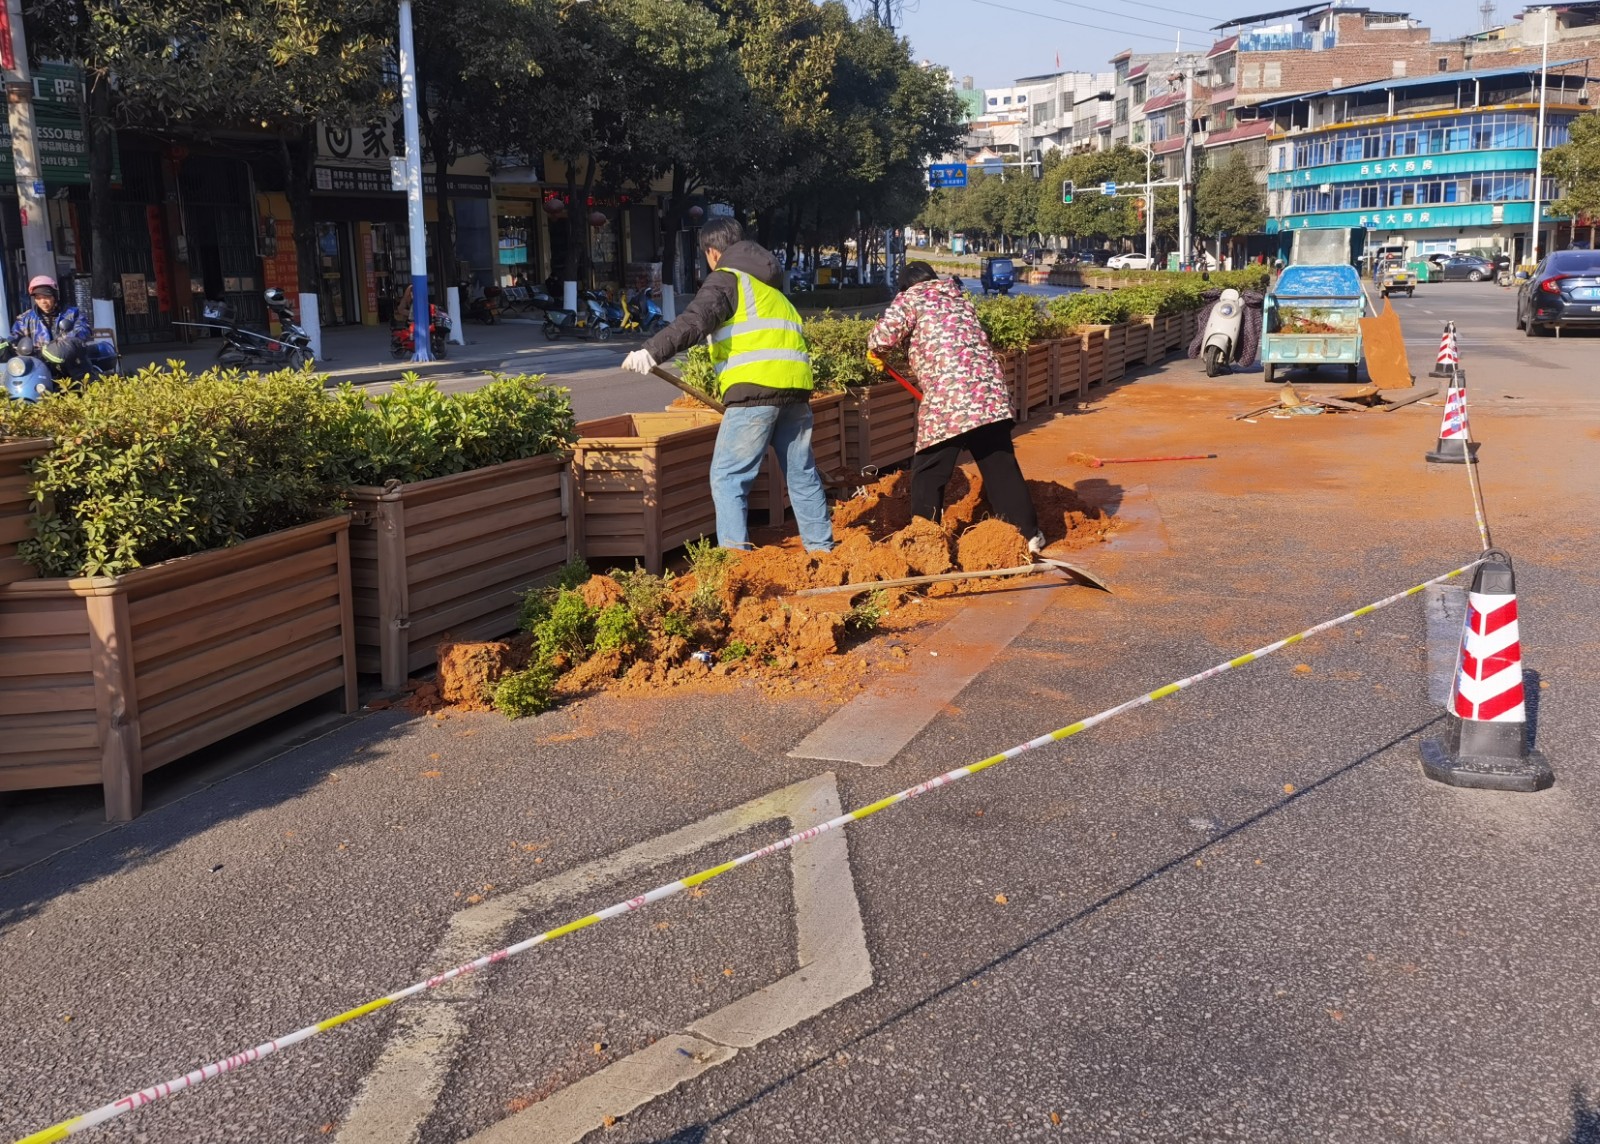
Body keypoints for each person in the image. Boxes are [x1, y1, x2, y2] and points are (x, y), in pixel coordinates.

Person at [620, 218, 833, 554]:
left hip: (754, 393)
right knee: (802, 474)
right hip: (795, 391)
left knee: (728, 477)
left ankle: (737, 564)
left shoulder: (727, 280)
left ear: (713, 253)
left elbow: (694, 320)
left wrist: (651, 352)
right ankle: (823, 552)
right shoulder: (771, 291)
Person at [866, 261, 1043, 553]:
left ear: (905, 285)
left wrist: (874, 349)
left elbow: (882, 337)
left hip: (951, 398)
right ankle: (1028, 536)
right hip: (989, 393)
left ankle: (924, 543)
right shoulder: (958, 298)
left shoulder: (911, 297)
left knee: (928, 470)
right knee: (999, 465)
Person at [11, 275, 89, 378]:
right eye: (38, 298)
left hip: (70, 368)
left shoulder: (72, 313)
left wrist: (68, 344)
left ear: (55, 296)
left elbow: (82, 331)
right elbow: (13, 339)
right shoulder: (24, 319)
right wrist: (5, 345)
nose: (43, 301)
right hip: (38, 370)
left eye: (46, 297)